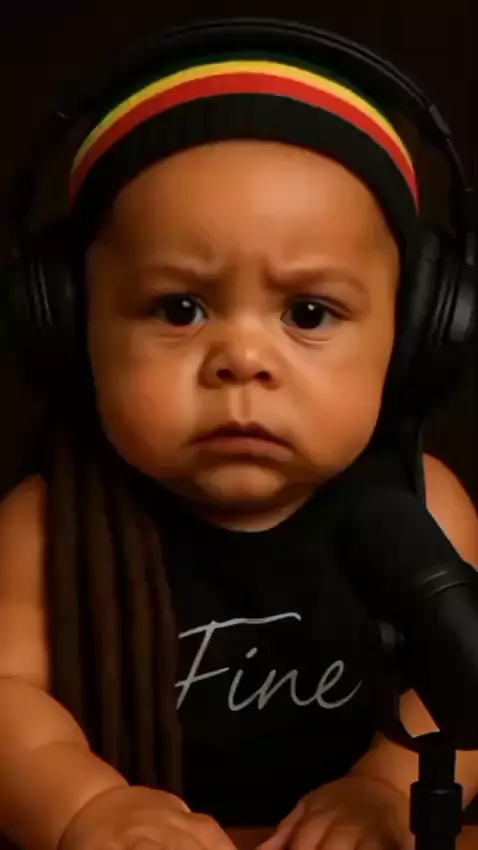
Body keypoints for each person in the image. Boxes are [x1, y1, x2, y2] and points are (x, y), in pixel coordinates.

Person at [0, 16, 477, 850]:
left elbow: (462, 692)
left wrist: (384, 789)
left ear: (411, 337)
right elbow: (7, 697)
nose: (243, 360)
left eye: (309, 313)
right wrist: (83, 809)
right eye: (180, 308)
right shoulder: (48, 525)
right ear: (72, 327)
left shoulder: (423, 503)